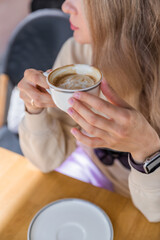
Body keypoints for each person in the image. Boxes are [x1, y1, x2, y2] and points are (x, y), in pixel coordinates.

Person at [18, 0, 160, 222]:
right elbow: (45, 160)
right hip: (96, 179)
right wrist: (33, 106)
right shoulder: (77, 53)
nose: (65, 7)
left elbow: (155, 213)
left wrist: (148, 150)